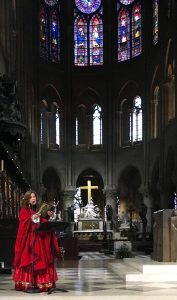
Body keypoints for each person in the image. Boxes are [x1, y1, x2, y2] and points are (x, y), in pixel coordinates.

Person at [13, 190, 60, 292]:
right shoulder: (24, 210)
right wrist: (32, 217)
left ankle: (42, 282)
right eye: (31, 197)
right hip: (29, 241)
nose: (33, 198)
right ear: (27, 199)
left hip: (39, 238)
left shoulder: (38, 209)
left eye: (34, 197)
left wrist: (49, 216)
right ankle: (31, 283)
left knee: (42, 260)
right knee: (30, 260)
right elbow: (24, 223)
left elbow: (43, 222)